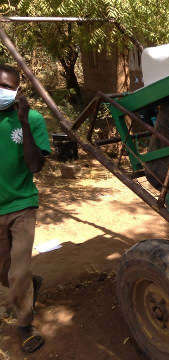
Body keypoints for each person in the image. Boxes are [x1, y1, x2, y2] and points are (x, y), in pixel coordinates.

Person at [0, 64, 51, 353]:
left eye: (9, 87)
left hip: (22, 204)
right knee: (5, 273)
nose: (3, 92)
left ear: (19, 90)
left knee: (17, 273)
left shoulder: (32, 119)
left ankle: (24, 324)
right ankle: (31, 284)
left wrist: (24, 123)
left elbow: (35, 165)